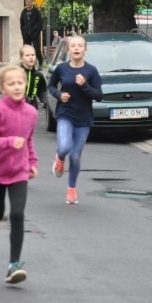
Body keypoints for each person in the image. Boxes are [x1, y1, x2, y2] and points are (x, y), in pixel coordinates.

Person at [0, 65, 39, 284]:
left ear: (25, 84)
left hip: (19, 173)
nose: (17, 87)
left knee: (18, 215)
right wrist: (9, 142)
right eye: (11, 83)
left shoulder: (31, 112)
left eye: (20, 82)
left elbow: (28, 139)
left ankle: (13, 266)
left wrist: (32, 162)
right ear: (3, 88)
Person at [47, 35, 103, 204]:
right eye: (73, 46)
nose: (77, 48)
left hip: (83, 118)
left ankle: (71, 189)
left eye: (80, 46)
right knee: (64, 147)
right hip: (65, 113)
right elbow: (50, 86)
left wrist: (85, 85)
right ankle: (59, 158)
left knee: (76, 156)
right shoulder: (61, 68)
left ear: (85, 50)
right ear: (68, 50)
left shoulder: (91, 71)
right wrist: (59, 95)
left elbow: (99, 96)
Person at [18, 45, 48, 110]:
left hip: (31, 108)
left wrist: (46, 102)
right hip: (16, 108)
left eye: (33, 55)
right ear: (21, 58)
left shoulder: (38, 75)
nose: (31, 57)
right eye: (27, 55)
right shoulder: (15, 73)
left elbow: (42, 91)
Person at [20, 0, 44, 67]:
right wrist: (23, 33)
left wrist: (37, 32)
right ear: (25, 2)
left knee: (37, 48)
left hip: (34, 34)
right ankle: (25, 63)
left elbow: (40, 22)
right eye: (27, 2)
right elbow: (22, 23)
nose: (28, 3)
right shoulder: (23, 12)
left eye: (29, 2)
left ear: (32, 2)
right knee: (26, 49)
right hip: (26, 34)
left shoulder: (36, 11)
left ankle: (40, 63)